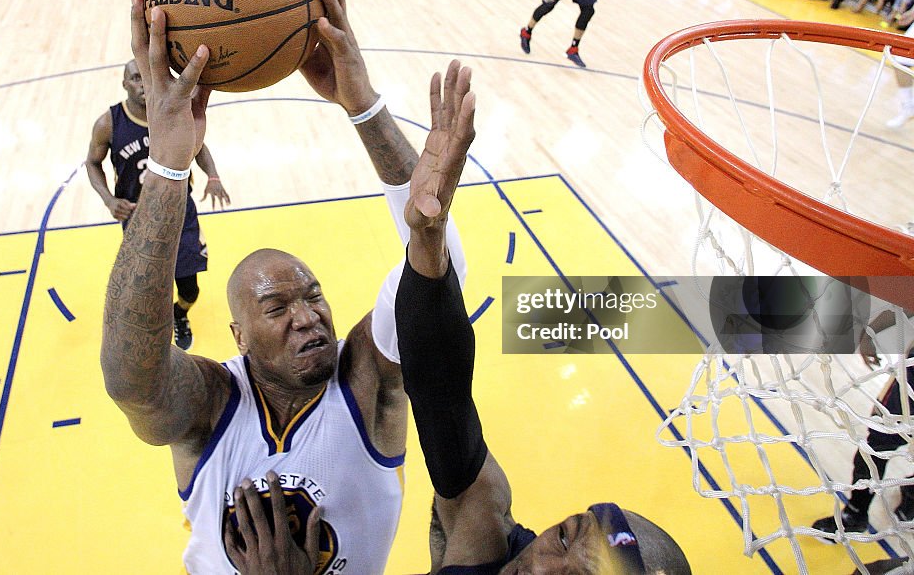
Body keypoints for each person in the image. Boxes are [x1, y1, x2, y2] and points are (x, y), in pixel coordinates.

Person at [222, 55, 692, 575]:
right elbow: (440, 390)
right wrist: (425, 229)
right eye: (562, 537)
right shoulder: (484, 539)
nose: (538, 566)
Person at [102, 0, 467, 574]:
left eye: (313, 295)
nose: (308, 316)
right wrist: (167, 165)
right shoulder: (213, 403)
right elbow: (130, 376)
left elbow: (437, 284)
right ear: (237, 338)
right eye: (276, 306)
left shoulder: (366, 386)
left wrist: (362, 105)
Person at [86, 60, 230, 350]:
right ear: (124, 84)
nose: (142, 84)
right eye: (135, 78)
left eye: (146, 77)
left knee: (189, 288)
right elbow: (92, 163)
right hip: (138, 217)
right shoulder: (109, 123)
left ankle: (180, 314)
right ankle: (158, 327)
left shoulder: (172, 113)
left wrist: (212, 176)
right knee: (151, 287)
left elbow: (198, 146)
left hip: (180, 212)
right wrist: (108, 199)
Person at [811, 307, 914, 536]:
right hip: (911, 382)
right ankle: (855, 513)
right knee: (876, 446)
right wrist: (870, 333)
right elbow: (906, 300)